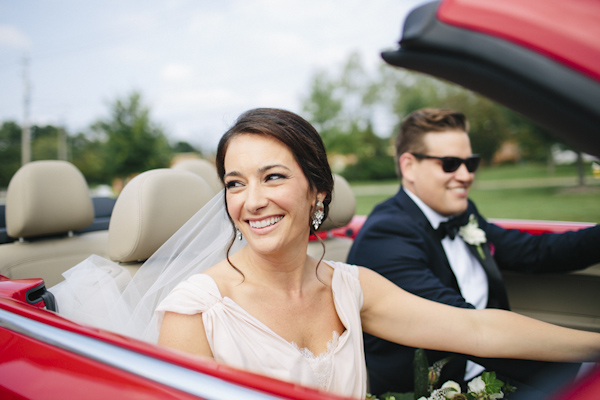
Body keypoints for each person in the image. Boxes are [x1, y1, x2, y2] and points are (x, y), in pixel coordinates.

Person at [153, 108, 600, 399]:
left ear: (318, 193)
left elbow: (477, 329)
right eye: (235, 183)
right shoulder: (196, 312)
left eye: (272, 177)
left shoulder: (352, 286)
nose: (251, 201)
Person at [346, 107, 600, 396]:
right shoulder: (386, 237)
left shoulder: (464, 214)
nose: (466, 175)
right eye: (450, 164)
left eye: (471, 163)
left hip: (497, 372)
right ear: (409, 166)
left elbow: (537, 251)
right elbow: (469, 327)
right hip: (441, 390)